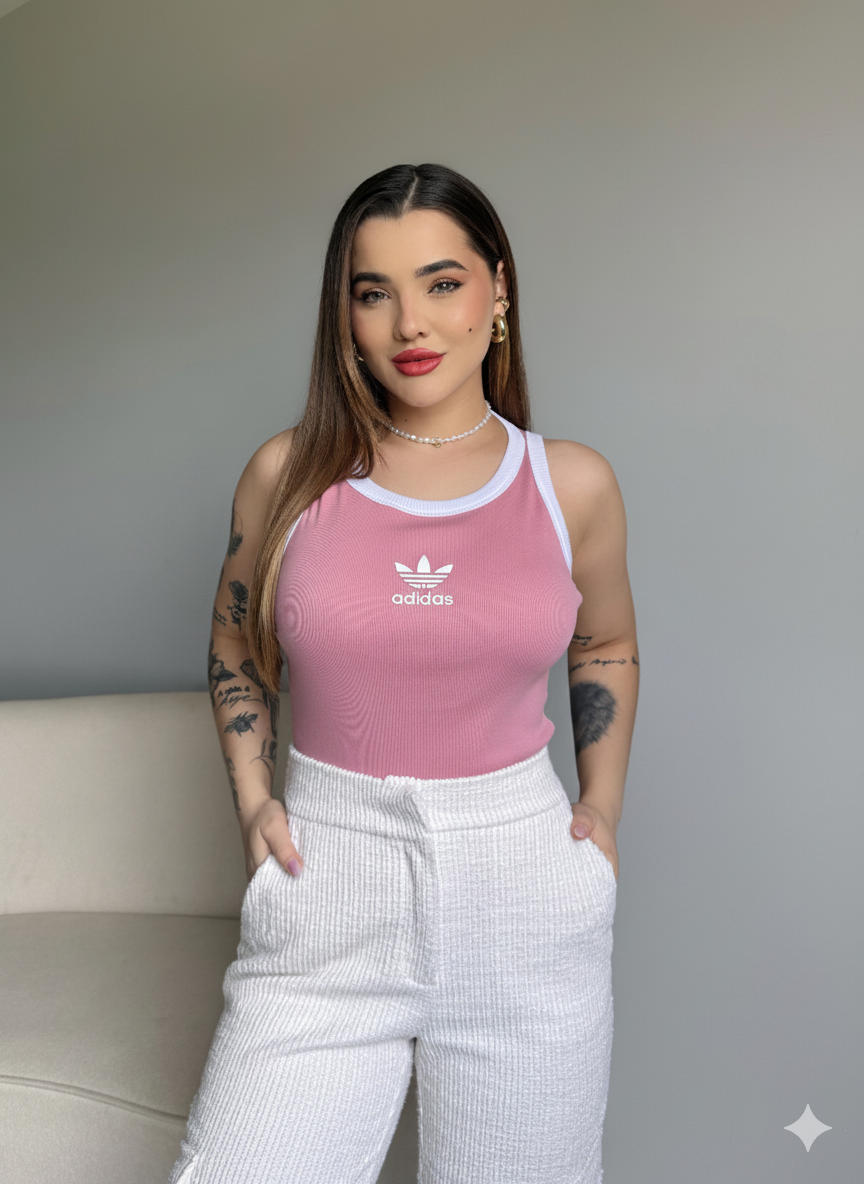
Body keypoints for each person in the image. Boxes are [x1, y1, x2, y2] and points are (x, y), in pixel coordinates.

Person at [168, 162, 639, 1184]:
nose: (409, 324)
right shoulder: (287, 477)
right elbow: (236, 643)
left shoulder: (570, 483)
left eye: (442, 282)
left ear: (497, 290)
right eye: (373, 292)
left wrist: (601, 810)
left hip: (522, 890)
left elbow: (604, 643)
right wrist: (254, 799)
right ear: (344, 314)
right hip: (326, 881)